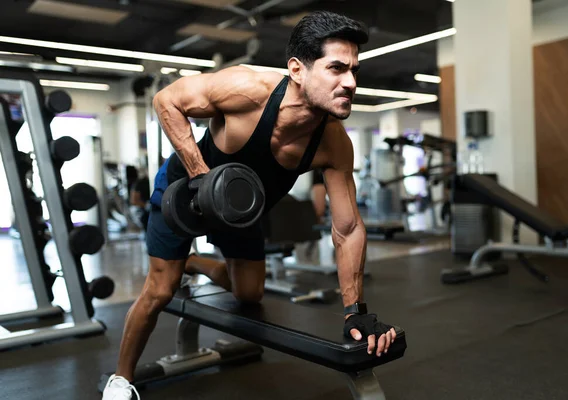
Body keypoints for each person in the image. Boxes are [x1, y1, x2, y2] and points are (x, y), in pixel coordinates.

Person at [103, 11, 396, 399]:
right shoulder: (246, 90)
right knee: (160, 290)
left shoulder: (333, 143)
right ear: (297, 69)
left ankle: (191, 262)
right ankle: (120, 381)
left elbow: (347, 228)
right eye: (337, 68)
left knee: (250, 294)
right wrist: (199, 175)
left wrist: (355, 311)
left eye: (355, 70)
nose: (351, 82)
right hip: (185, 192)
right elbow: (166, 101)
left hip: (242, 209)